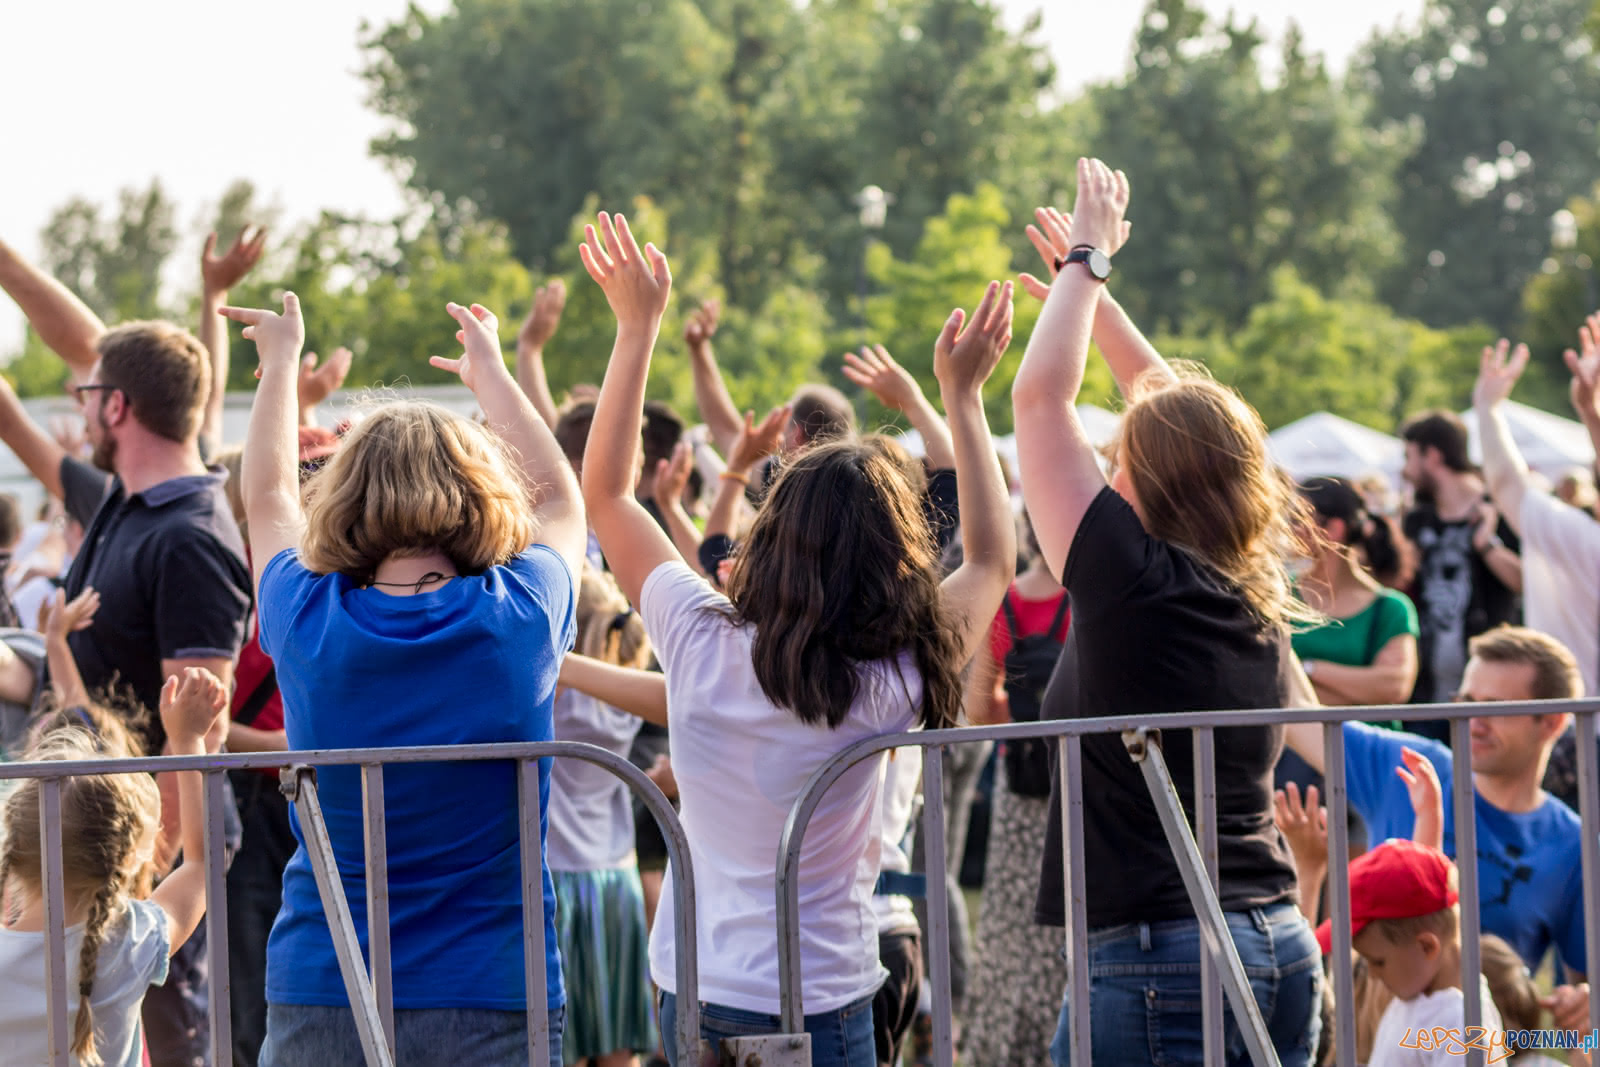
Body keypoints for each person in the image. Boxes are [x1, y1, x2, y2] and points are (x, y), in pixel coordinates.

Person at [577, 211, 1015, 1066]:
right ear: (893, 558)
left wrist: (637, 332)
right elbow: (993, 557)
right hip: (825, 994)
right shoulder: (893, 677)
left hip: (696, 986)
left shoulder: (699, 635)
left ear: (771, 534)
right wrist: (962, 401)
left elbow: (607, 496)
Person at [224, 292, 586, 1067]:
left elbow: (267, 497)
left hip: (326, 982)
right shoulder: (520, 615)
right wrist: (493, 374)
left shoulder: (308, 614)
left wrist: (281, 363)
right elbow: (560, 498)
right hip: (492, 984)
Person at [1012, 162, 1320, 1065]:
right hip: (1270, 940)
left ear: (1149, 479)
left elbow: (1038, 401)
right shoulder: (1251, 576)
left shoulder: (1132, 583)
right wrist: (1091, 289)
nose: (1107, 471)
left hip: (1164, 962)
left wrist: (1088, 259)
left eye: (1121, 460)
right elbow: (1189, 426)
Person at [1284, 626, 1587, 1008]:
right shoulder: (1413, 767)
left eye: (1493, 707)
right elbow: (1296, 714)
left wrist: (1576, 1012)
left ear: (1552, 722)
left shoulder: (1573, 844)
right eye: (1465, 700)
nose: (1472, 722)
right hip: (1370, 1036)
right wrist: (1262, 595)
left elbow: (1582, 997)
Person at [0, 667, 228, 1067]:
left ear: (13, 846)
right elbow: (200, 864)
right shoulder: (132, 942)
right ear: (128, 855)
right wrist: (189, 740)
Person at [961, 511, 1070, 1067]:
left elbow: (981, 710)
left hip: (1017, 781)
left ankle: (1001, 1046)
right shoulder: (1091, 601)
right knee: (1066, 921)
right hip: (1079, 781)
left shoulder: (1002, 602)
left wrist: (1023, 717)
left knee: (1008, 923)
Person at [548, 566, 657, 1067]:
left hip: (561, 879)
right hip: (616, 877)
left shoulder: (559, 698)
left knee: (562, 1040)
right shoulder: (627, 701)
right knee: (618, 1045)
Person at [1316, 840, 1503, 1067]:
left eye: (1378, 962)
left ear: (1427, 947)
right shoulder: (1417, 994)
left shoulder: (1461, 1026)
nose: (1373, 975)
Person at [1398, 409, 1521, 713]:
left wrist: (1486, 544)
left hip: (1487, 687)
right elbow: (1396, 582)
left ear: (1433, 456)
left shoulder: (1499, 509)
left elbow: (1525, 579)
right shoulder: (1417, 519)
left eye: (1409, 457)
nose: (1405, 470)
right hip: (1425, 689)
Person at [1293, 476, 1420, 709]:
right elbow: (1269, 685)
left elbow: (1394, 687)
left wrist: (1306, 668)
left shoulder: (1390, 607)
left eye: (1297, 520)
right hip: (1300, 743)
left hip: (1369, 743)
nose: (1290, 529)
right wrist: (1361, 690)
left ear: (1333, 529)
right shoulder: (1280, 595)